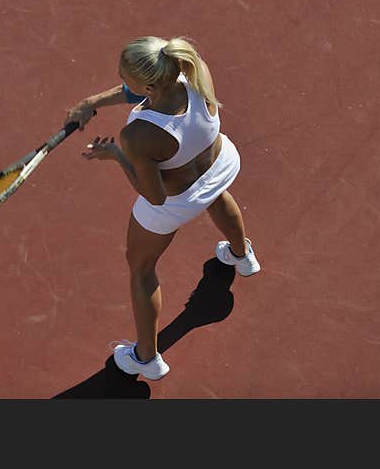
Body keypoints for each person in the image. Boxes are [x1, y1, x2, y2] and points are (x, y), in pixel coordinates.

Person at [64, 36, 260, 380]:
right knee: (216, 194)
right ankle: (241, 257)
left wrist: (117, 156)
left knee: (141, 268)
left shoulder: (139, 135)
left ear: (150, 84)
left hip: (177, 200)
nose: (123, 83)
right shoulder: (192, 73)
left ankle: (146, 358)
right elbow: (141, 92)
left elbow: (154, 196)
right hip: (220, 165)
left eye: (127, 79)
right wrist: (92, 101)